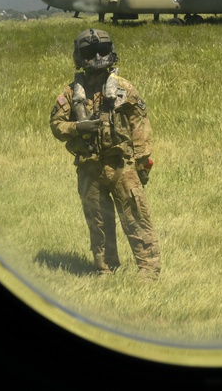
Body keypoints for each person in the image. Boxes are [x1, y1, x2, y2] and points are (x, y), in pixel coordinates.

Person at [49, 29, 160, 279]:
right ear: (79, 57)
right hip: (89, 168)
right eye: (89, 52)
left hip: (121, 165)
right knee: (98, 222)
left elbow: (140, 129)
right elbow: (56, 125)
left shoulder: (124, 89)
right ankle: (105, 270)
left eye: (102, 51)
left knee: (136, 218)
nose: (97, 57)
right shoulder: (70, 94)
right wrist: (77, 127)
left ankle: (149, 270)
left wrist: (142, 166)